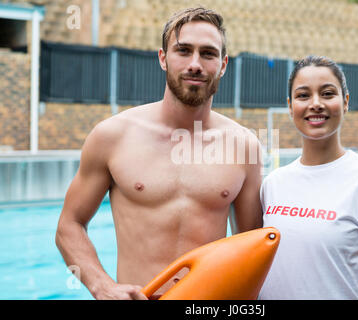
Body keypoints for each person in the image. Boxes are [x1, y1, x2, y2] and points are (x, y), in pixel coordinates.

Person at [55, 7, 263, 300]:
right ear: (163, 58)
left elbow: (251, 246)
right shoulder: (113, 136)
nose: (195, 64)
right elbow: (69, 225)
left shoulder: (244, 146)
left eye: (208, 53)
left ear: (223, 64)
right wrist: (102, 285)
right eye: (183, 51)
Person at [258, 55, 358, 300]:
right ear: (290, 105)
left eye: (327, 94)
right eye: (303, 95)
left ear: (345, 102)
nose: (316, 103)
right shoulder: (272, 184)